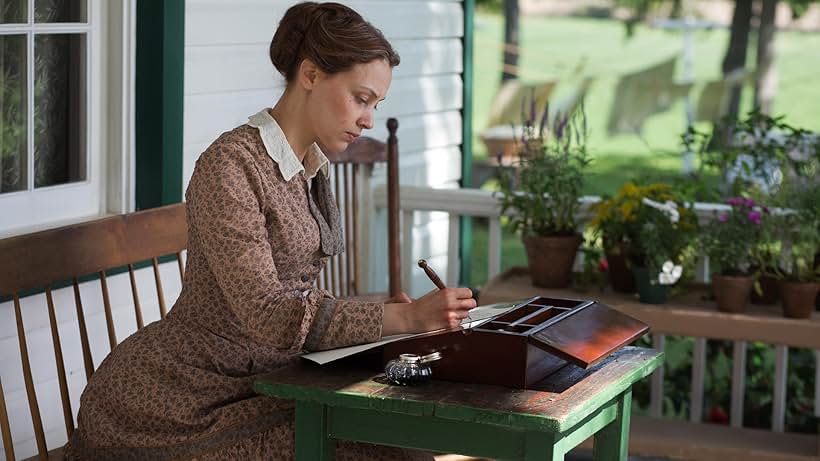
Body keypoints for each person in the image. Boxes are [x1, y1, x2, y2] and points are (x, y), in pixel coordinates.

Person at [64, 2, 476, 460]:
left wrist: (385, 317)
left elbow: (295, 301)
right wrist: (404, 319)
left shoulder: (309, 167)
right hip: (187, 396)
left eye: (376, 105)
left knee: (402, 430)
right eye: (361, 99)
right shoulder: (230, 167)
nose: (368, 120)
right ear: (311, 74)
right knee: (381, 444)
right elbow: (268, 312)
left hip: (270, 377)